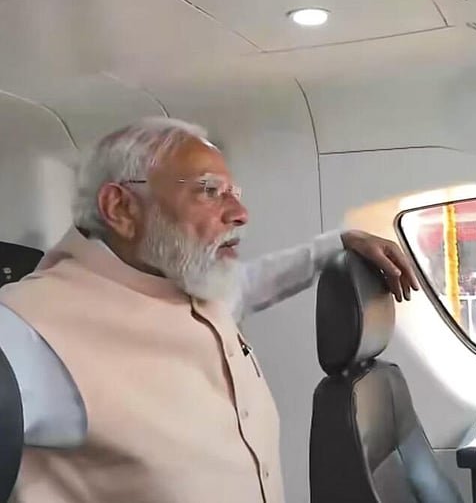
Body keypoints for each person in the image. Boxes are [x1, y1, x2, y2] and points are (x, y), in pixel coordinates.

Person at [0, 117, 420, 503]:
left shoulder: (191, 287)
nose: (240, 214)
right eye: (208, 191)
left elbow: (253, 282)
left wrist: (340, 242)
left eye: (233, 194)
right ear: (121, 208)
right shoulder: (26, 329)